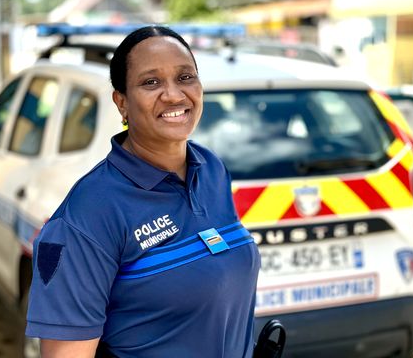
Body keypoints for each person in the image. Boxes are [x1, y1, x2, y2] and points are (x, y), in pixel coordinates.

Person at [25, 25, 261, 358]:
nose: (174, 95)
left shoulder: (211, 169)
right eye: (151, 82)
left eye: (185, 77)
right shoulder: (90, 211)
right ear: (121, 102)